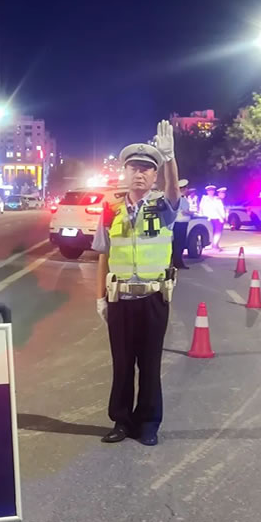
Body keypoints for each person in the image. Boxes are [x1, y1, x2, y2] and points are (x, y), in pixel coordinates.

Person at [93, 120, 181, 447]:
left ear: (155, 176)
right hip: (120, 300)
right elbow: (102, 256)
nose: (140, 174)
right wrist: (100, 298)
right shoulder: (110, 211)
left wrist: (169, 159)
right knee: (122, 364)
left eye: (147, 169)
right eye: (134, 168)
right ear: (125, 172)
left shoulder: (163, 207)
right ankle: (121, 421)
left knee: (150, 363)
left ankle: (148, 424)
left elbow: (174, 192)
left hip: (153, 299)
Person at [171, 179, 191, 270]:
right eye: (186, 188)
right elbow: (185, 211)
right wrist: (192, 213)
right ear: (183, 189)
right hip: (181, 223)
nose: (187, 190)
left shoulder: (175, 198)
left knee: (176, 244)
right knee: (180, 244)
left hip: (177, 223)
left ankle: (176, 262)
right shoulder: (182, 199)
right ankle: (178, 263)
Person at [199, 184, 225, 250]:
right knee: (210, 232)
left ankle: (215, 244)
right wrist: (201, 216)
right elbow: (201, 208)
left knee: (217, 232)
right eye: (209, 190)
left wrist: (222, 217)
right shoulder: (204, 198)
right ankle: (212, 245)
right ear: (207, 191)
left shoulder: (216, 199)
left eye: (212, 190)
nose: (211, 192)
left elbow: (220, 208)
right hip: (208, 218)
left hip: (217, 217)